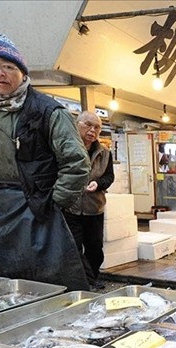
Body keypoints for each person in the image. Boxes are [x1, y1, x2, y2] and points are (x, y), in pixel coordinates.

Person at [0, 31, 90, 290]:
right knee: (4, 283)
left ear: (22, 72)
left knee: (50, 281)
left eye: (8, 66)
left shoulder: (48, 111)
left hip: (36, 206)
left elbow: (76, 163)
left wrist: (54, 202)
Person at [64, 111, 114, 290]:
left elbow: (109, 177)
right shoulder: (66, 148)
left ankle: (92, 277)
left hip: (95, 208)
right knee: (74, 248)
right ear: (77, 124)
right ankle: (84, 281)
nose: (92, 130)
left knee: (95, 249)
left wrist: (98, 184)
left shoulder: (105, 153)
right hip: (71, 207)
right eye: (88, 125)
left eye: (97, 127)